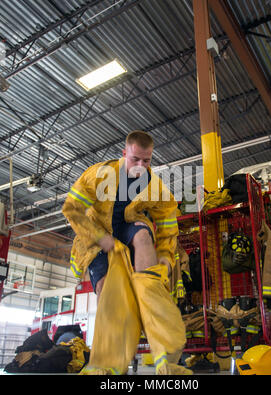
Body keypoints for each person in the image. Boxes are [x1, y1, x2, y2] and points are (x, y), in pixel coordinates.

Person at [62, 130, 190, 375]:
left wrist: (164, 254)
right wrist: (101, 238)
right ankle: (107, 362)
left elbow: (167, 221)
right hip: (97, 236)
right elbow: (72, 208)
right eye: (135, 159)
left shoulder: (154, 185)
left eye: (147, 160)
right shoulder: (99, 175)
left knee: (143, 235)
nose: (141, 166)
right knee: (106, 293)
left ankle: (149, 291)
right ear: (124, 154)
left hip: (129, 228)